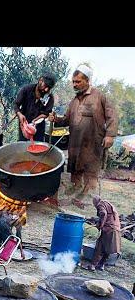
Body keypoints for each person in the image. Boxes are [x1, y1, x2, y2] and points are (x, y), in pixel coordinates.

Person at [49, 65, 118, 203]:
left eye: (78, 81)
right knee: (75, 167)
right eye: (73, 81)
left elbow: (113, 116)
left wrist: (110, 135)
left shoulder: (99, 96)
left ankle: (86, 195)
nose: (75, 84)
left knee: (90, 168)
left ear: (87, 81)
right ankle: (76, 186)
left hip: (93, 142)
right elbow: (66, 120)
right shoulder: (74, 101)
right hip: (75, 142)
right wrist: (56, 119)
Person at [14, 75, 56, 142]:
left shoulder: (49, 97)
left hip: (39, 128)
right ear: (40, 80)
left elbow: (46, 113)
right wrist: (19, 114)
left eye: (49, 88)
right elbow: (16, 104)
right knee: (23, 147)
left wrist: (36, 120)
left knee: (38, 147)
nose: (46, 90)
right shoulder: (26, 90)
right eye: (45, 86)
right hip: (24, 125)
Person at [85, 195, 121, 271]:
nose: (94, 205)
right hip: (115, 228)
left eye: (93, 203)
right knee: (107, 248)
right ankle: (101, 265)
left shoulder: (100, 204)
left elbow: (103, 214)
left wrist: (100, 225)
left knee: (99, 246)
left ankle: (93, 265)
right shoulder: (106, 203)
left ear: (95, 202)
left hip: (109, 229)